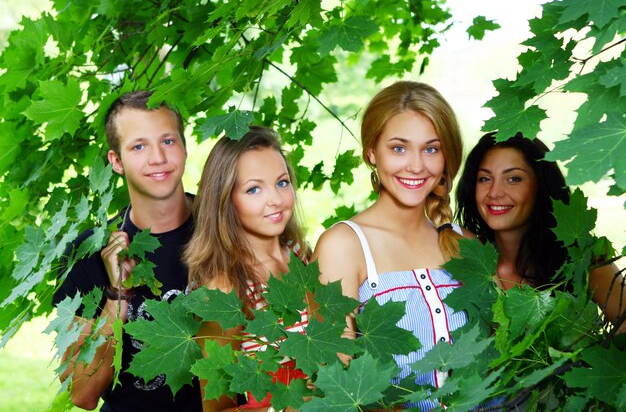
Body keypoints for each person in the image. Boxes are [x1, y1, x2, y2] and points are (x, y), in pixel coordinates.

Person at [313, 81, 470, 411]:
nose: (415, 165)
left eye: (431, 149)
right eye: (399, 148)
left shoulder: (467, 243)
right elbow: (337, 386)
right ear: (372, 151)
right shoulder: (342, 246)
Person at [53, 91, 202, 411]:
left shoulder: (225, 230)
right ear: (116, 161)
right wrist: (116, 295)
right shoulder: (87, 252)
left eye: (167, 141)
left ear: (185, 148)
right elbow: (81, 393)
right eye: (139, 146)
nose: (157, 158)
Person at [184, 126, 310, 412]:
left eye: (282, 182)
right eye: (254, 189)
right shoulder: (224, 289)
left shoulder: (303, 256)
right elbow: (217, 407)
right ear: (226, 200)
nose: (276, 200)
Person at [455, 132, 626, 332]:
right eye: (484, 178)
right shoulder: (461, 258)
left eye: (514, 179)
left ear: (541, 185)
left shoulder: (583, 259)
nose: (494, 192)